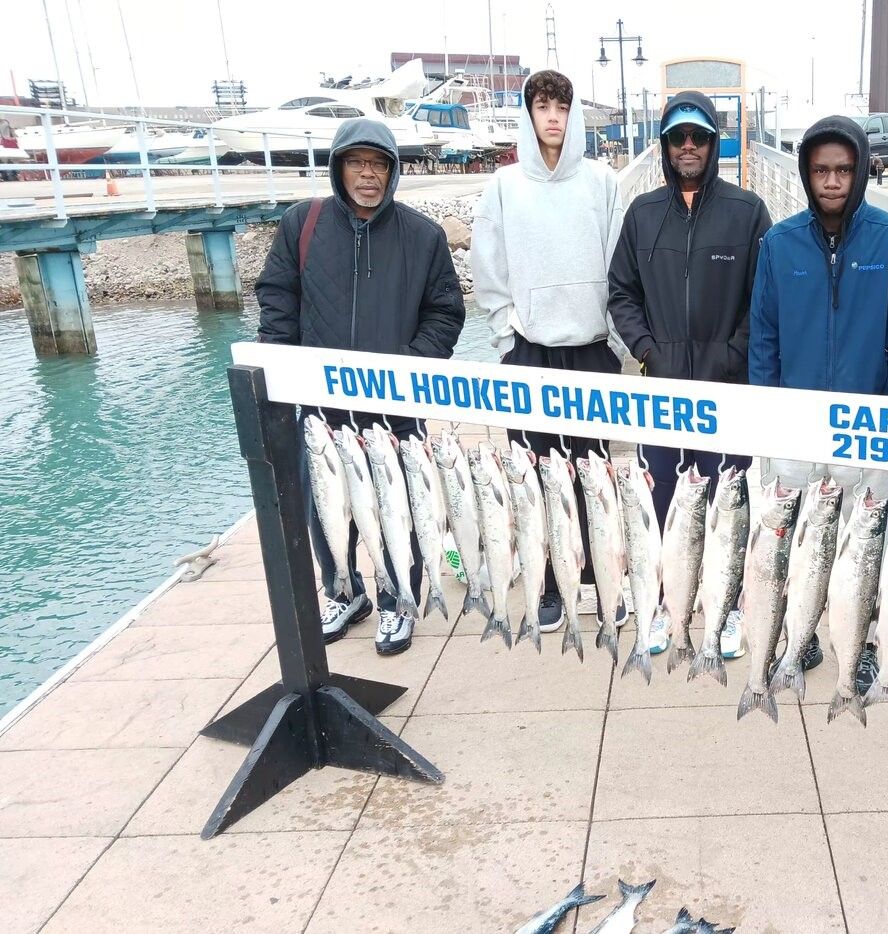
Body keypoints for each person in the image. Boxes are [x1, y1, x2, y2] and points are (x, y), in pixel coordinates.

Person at [256, 118, 465, 655]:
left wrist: (409, 368)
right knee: (326, 504)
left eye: (378, 164)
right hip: (322, 405)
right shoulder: (302, 224)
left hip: (394, 403)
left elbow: (445, 313)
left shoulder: (423, 236)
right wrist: (280, 370)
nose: (368, 175)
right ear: (339, 167)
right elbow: (277, 300)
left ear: (393, 172)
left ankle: (400, 598)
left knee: (401, 504)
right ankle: (342, 589)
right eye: (357, 163)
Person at [749, 114, 888, 680]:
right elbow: (765, 338)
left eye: (843, 170)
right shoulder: (779, 242)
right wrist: (767, 417)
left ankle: (864, 639)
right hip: (796, 425)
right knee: (799, 541)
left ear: (860, 172)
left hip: (866, 423)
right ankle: (801, 634)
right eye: (820, 170)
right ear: (805, 173)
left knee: (863, 542)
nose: (831, 181)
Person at [607, 91, 773, 658]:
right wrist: (648, 349)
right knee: (662, 505)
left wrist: (733, 355)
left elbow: (764, 300)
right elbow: (621, 293)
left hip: (727, 392)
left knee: (728, 506)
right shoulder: (642, 213)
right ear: (665, 145)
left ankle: (723, 610)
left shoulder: (748, 211)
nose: (688, 147)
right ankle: (661, 603)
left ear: (715, 143)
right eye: (678, 137)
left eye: (699, 137)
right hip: (662, 391)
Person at [470, 69, 627, 633]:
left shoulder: (602, 182)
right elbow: (488, 268)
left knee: (594, 470)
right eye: (542, 105)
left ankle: (597, 576)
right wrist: (506, 335)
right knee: (533, 474)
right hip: (530, 351)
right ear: (528, 113)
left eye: (562, 104)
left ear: (574, 112)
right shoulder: (503, 187)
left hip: (589, 349)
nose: (553, 115)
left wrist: (611, 335)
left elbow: (619, 261)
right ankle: (551, 584)